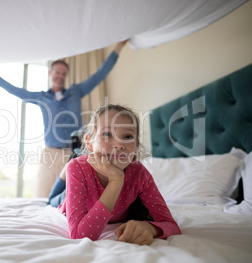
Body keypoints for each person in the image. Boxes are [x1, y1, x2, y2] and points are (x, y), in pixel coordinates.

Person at [0, 41, 128, 197]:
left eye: (63, 73)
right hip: (51, 154)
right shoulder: (42, 97)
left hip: (75, 153)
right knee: (43, 195)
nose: (60, 76)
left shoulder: (76, 92)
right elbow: (16, 91)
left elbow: (99, 75)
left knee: (78, 196)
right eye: (57, 72)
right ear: (50, 73)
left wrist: (118, 48)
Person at [55, 104, 181, 244]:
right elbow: (80, 236)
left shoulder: (139, 173)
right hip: (65, 199)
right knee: (52, 199)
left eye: (127, 136)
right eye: (107, 134)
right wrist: (116, 180)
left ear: (136, 146)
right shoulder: (77, 167)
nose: (119, 144)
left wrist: (151, 228)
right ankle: (64, 172)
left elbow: (171, 225)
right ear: (89, 142)